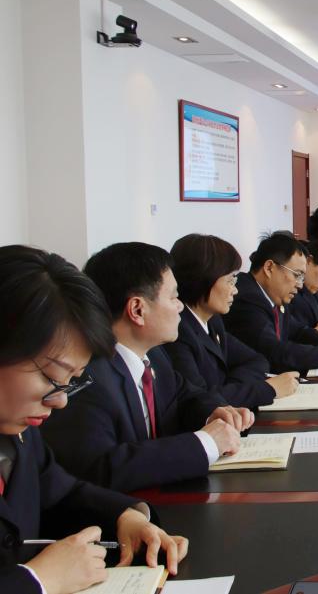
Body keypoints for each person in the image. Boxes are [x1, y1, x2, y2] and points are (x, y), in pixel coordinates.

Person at [0, 245, 189, 594]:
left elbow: (60, 491)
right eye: (51, 377)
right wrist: (38, 580)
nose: (59, 401)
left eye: (71, 382)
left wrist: (126, 517)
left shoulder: (18, 429)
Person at [42, 243, 253, 493]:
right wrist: (205, 443)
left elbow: (186, 395)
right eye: (173, 297)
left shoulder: (153, 355)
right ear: (137, 310)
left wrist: (213, 413)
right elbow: (101, 468)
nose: (180, 306)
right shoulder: (87, 375)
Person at [164, 234, 298, 410]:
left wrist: (228, 390)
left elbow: (257, 360)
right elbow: (199, 401)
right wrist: (267, 389)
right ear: (204, 279)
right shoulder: (178, 332)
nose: (235, 290)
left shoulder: (213, 321)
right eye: (230, 280)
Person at [223, 232, 318, 374]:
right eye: (297, 275)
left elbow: (298, 331)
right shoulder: (246, 299)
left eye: (302, 277)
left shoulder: (273, 295)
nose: (299, 284)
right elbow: (275, 352)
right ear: (269, 268)